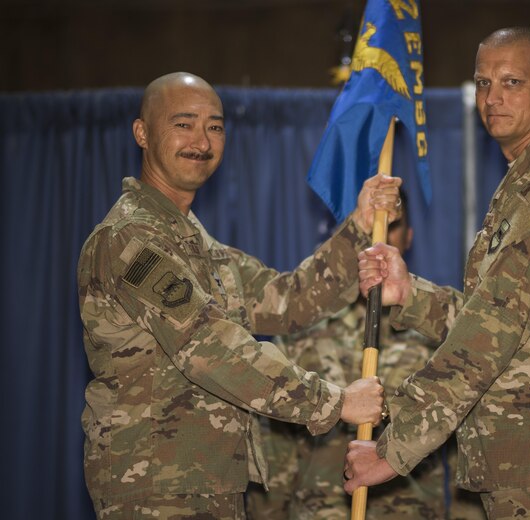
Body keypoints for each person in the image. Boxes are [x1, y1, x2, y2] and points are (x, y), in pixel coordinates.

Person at [344, 27, 530, 520]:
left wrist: (392, 448)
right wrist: (410, 294)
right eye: (484, 83)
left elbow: (488, 334)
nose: (492, 98)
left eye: (512, 82)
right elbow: (513, 325)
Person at [77, 71, 401, 519]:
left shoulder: (198, 246)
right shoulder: (130, 238)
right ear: (142, 133)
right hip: (155, 488)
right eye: (183, 124)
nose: (201, 141)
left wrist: (360, 227)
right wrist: (336, 402)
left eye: (214, 127)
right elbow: (210, 349)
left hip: (209, 483)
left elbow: (287, 301)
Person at [245, 190, 486, 520]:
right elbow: (277, 446)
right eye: (371, 227)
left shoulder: (437, 337)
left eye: (391, 226)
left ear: (409, 237)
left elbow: (463, 447)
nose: (378, 238)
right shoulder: (303, 336)